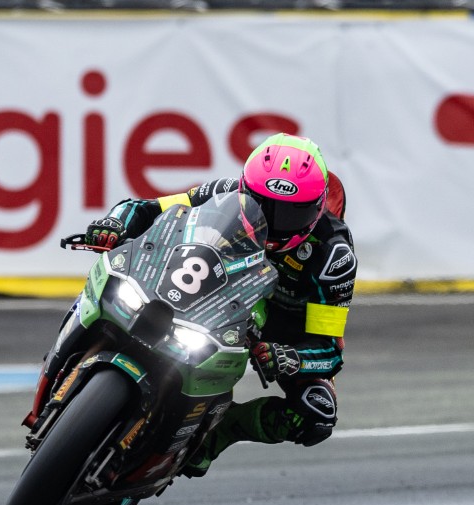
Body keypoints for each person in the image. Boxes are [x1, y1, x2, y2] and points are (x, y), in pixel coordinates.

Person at [84, 133, 356, 477]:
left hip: (282, 332)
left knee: (317, 412)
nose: (274, 222)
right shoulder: (225, 193)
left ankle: (220, 431)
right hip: (213, 291)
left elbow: (329, 348)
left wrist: (292, 357)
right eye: (262, 205)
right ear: (245, 188)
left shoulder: (334, 257)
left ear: (317, 208)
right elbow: (147, 208)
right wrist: (114, 223)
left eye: (291, 213)